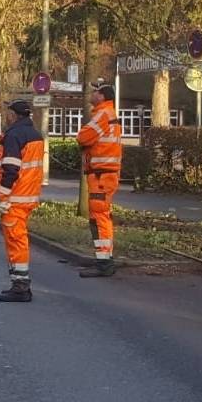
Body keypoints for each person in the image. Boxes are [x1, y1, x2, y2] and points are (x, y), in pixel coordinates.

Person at [0, 99, 44, 302]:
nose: (6, 116)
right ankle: (20, 285)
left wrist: (2, 197)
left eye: (8, 112)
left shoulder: (14, 135)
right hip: (27, 196)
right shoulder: (35, 134)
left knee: (16, 241)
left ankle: (20, 287)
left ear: (13, 115)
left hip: (14, 198)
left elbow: (10, 170)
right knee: (19, 239)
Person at [76, 83, 122, 277]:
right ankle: (103, 260)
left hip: (101, 175)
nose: (92, 93)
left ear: (102, 96)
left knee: (100, 217)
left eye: (96, 91)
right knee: (98, 217)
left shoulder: (102, 115)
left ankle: (104, 263)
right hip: (103, 174)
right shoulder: (107, 114)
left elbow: (83, 137)